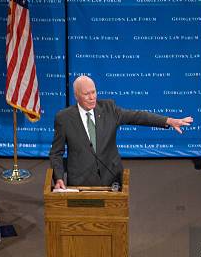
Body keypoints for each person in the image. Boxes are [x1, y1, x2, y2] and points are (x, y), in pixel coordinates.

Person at [49, 75, 193, 188]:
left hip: (110, 177)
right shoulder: (64, 118)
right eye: (87, 94)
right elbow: (56, 153)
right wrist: (59, 177)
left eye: (94, 92)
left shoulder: (109, 109)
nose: (92, 97)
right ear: (76, 95)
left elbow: (138, 116)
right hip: (81, 181)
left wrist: (168, 121)